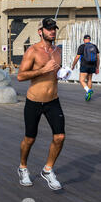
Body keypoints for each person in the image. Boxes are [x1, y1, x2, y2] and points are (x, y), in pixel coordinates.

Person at [16, 18, 65, 191]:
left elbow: (55, 71)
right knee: (30, 139)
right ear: (40, 31)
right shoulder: (32, 51)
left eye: (54, 29)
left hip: (53, 100)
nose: (52, 31)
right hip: (34, 101)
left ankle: (48, 169)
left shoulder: (58, 51)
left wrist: (62, 73)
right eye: (49, 29)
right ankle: (23, 167)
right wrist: (42, 70)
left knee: (60, 137)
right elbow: (20, 76)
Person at [71, 35, 100, 101]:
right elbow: (98, 58)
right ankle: (88, 94)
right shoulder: (94, 46)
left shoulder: (82, 46)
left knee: (81, 80)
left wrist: (73, 65)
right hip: (93, 65)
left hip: (84, 65)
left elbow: (77, 57)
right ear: (90, 39)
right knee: (89, 79)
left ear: (84, 40)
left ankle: (88, 90)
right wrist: (97, 67)